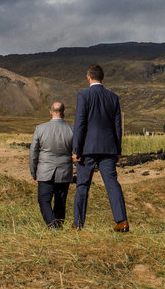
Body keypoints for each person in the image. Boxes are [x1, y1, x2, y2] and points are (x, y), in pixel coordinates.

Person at [71, 64, 129, 232]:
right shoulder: (113, 97)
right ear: (102, 78)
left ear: (88, 77)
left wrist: (76, 149)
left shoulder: (84, 96)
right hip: (109, 148)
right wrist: (117, 150)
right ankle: (122, 221)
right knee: (112, 183)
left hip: (87, 148)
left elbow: (80, 124)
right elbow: (117, 127)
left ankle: (78, 224)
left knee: (82, 185)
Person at [29, 101, 74, 229]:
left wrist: (33, 172)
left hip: (44, 171)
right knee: (60, 201)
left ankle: (52, 224)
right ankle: (57, 225)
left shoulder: (40, 129)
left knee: (43, 200)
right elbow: (78, 151)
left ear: (50, 112)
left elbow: (33, 152)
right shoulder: (72, 129)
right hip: (65, 171)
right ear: (64, 112)